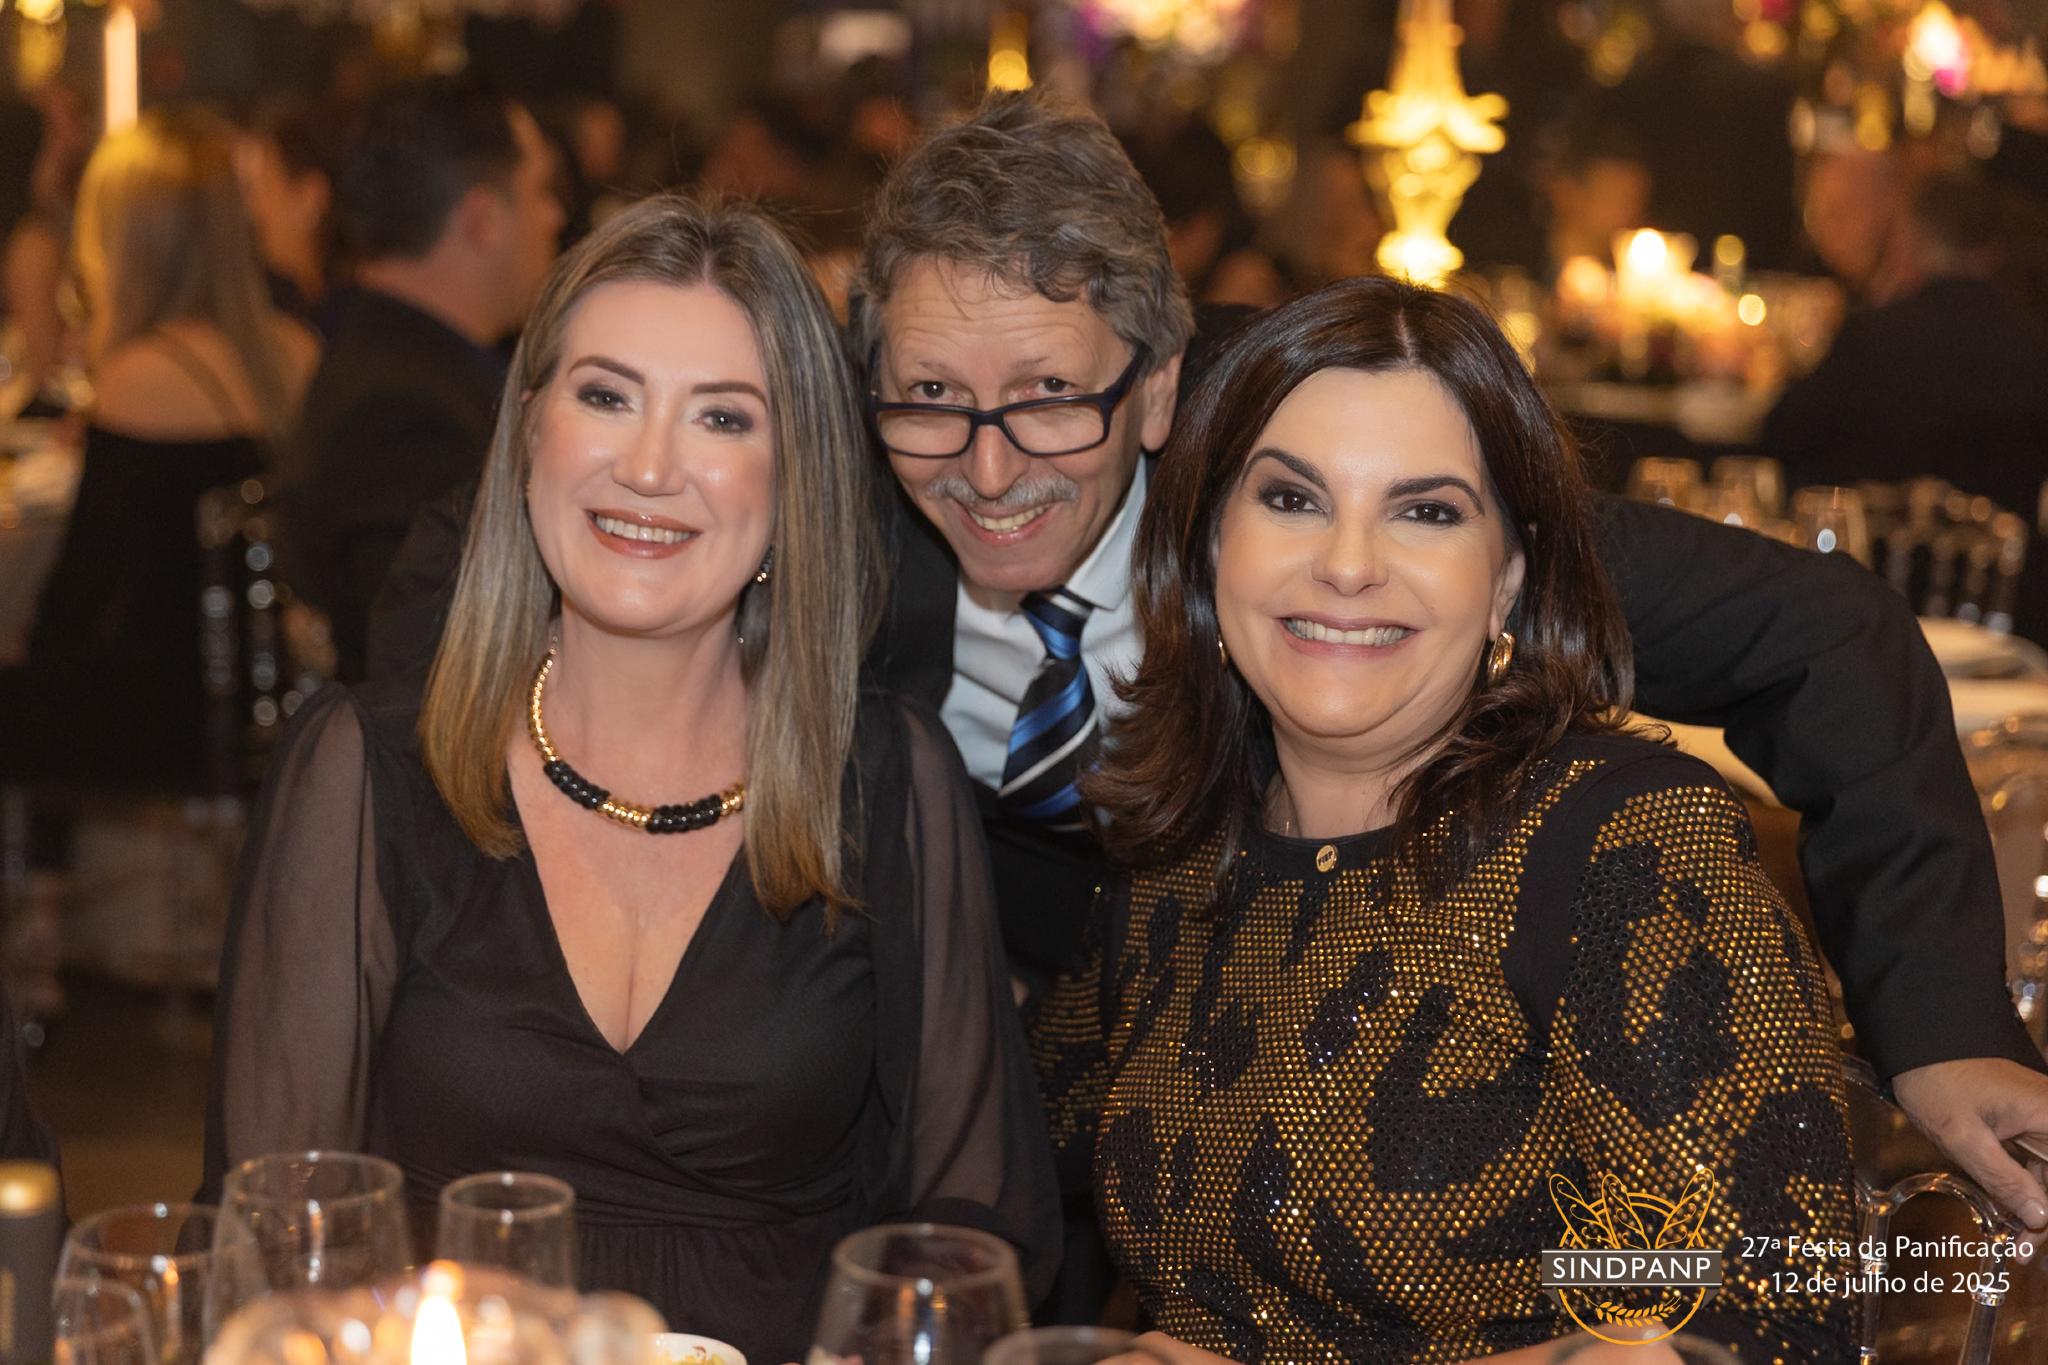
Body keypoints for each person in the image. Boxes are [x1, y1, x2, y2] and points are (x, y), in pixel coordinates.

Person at [377, 91, 2048, 1240]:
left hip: (1356, 1091)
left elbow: (1817, 629)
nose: (987, 465)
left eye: (1053, 397)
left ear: (1163, 385)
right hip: (996, 1108)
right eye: (930, 400)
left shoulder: (1318, 476)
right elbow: (467, 559)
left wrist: (1942, 1023)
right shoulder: (834, 493)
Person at [203, 198, 1058, 1363]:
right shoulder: (366, 770)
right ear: (528, 432)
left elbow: (972, 1226)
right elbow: (272, 1239)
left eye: (722, 417)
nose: (649, 468)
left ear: (795, 481)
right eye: (606, 397)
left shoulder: (887, 783)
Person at [1034, 275, 1856, 1361]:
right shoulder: (1178, 850)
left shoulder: (1624, 849)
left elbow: (1762, 1312)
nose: (1346, 565)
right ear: (1208, 543)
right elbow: (1016, 1168)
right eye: (1291, 499)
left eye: (1425, 512)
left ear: (1506, 577)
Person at [4, 107, 318, 786]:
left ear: (124, 242)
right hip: (277, 692)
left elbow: (79, 598)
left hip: (171, 711)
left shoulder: (141, 377)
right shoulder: (297, 352)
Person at [284, 77, 564, 683]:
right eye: (541, 191)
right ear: (483, 219)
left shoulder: (393, 356)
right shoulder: (404, 412)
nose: (555, 216)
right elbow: (438, 671)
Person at [1767, 164, 2048, 641]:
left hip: (1865, 608)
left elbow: (1778, 434)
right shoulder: (2034, 346)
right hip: (2008, 621)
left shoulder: (1874, 338)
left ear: (1911, 242)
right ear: (1993, 250)